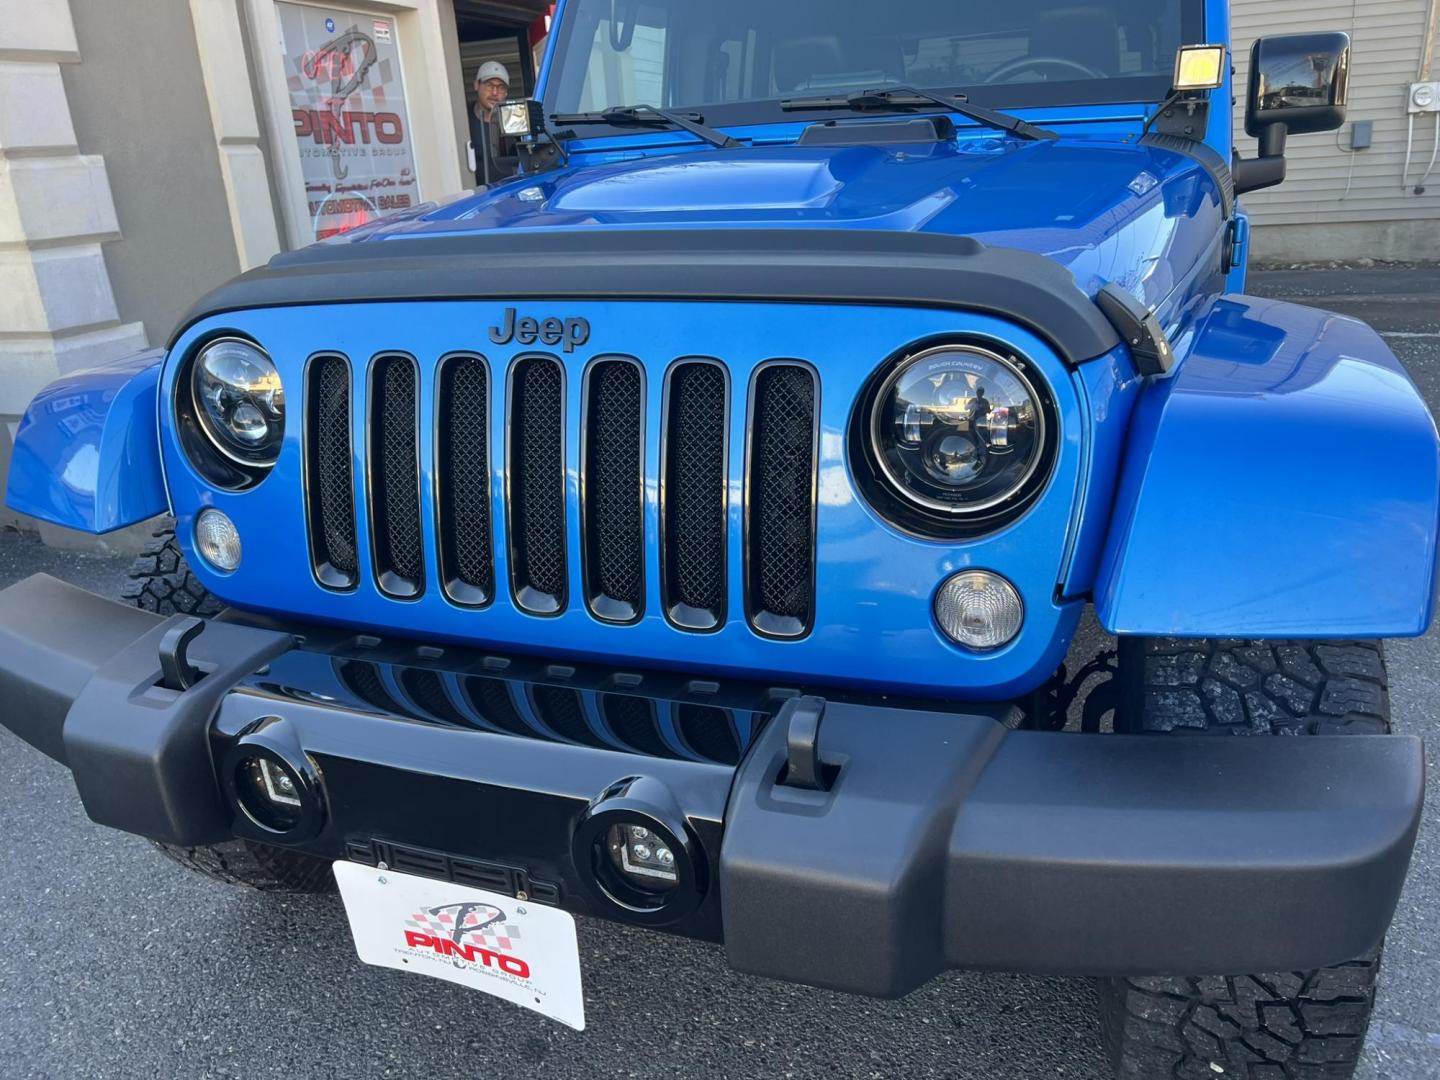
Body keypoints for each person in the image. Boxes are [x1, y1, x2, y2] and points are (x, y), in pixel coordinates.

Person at [469, 60, 518, 186]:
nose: (495, 93)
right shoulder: (463, 118)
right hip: (476, 198)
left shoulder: (516, 120)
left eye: (501, 88)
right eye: (489, 85)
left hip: (509, 196)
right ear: (476, 85)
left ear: (506, 93)